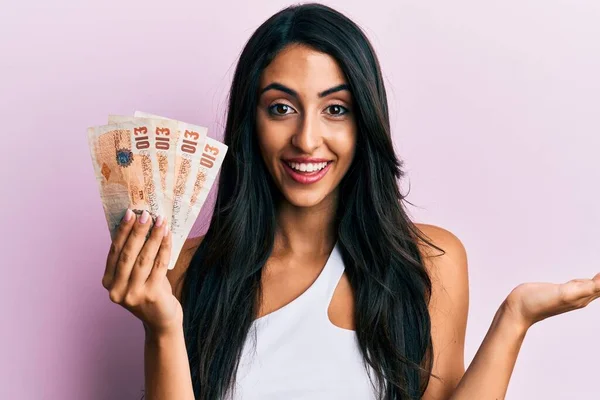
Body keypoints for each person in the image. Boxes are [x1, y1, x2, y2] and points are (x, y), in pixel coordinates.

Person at [100, 3, 600, 400]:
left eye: (335, 109)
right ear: (251, 123)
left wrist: (515, 317)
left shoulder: (429, 261)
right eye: (281, 108)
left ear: (365, 123)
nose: (308, 139)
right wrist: (163, 328)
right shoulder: (184, 269)